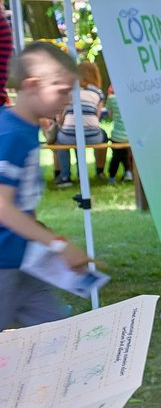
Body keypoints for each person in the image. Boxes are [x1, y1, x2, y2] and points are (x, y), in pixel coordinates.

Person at [0, 43, 93, 329]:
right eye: (63, 91)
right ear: (32, 85)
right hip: (3, 268)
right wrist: (58, 245)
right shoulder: (12, 135)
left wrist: (51, 243)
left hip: (23, 263)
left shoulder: (25, 131)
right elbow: (3, 207)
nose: (68, 99)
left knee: (59, 336)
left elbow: (20, 208)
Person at [48, 60, 108, 185]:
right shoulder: (98, 93)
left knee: (62, 140)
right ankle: (97, 172)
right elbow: (97, 116)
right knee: (103, 135)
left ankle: (65, 177)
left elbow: (60, 118)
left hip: (69, 136)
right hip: (93, 137)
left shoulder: (70, 92)